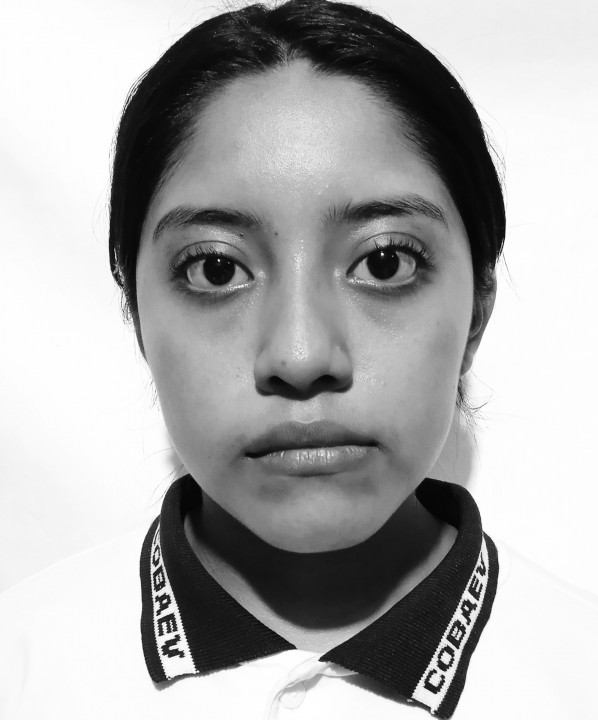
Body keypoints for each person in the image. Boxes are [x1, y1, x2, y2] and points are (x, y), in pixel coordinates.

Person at [1, 0, 596, 718]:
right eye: (216, 269)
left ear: (477, 308)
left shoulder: (577, 676)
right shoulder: (24, 669)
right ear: (136, 315)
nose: (302, 355)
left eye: (385, 261)